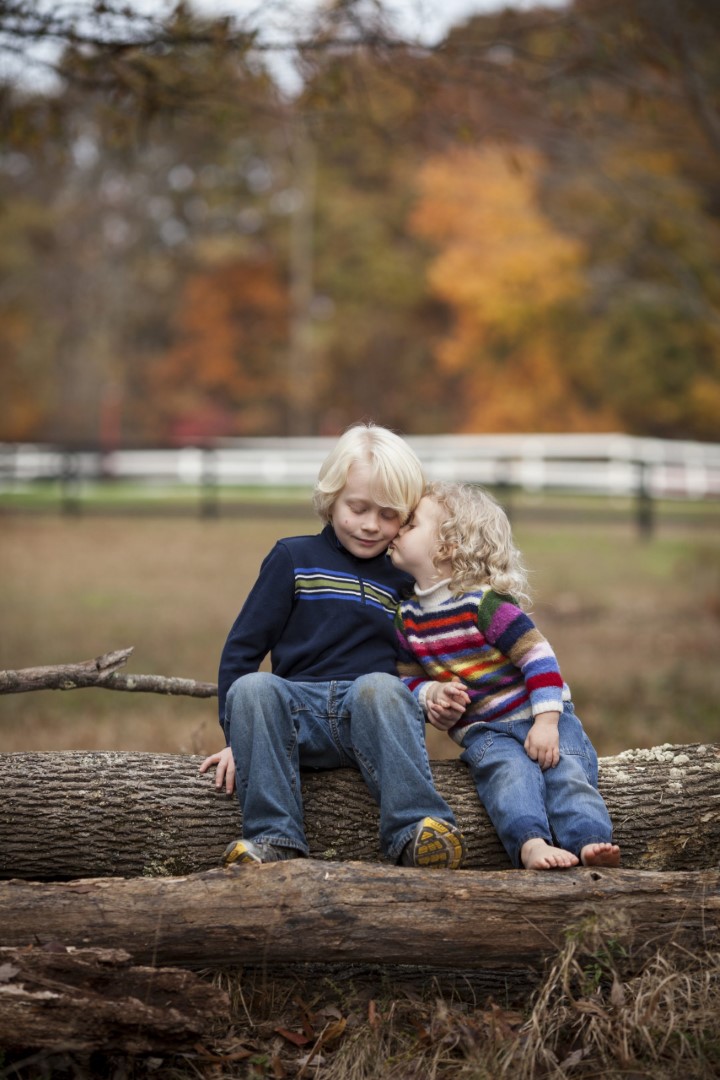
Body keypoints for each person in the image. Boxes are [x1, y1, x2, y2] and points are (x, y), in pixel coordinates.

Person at [199, 424, 466, 870]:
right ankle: (274, 839)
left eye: (388, 514)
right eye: (357, 508)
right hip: (297, 716)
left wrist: (442, 696)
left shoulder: (404, 577)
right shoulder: (292, 558)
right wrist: (242, 739)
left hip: (370, 716)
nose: (369, 525)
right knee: (253, 688)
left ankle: (418, 829)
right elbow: (241, 651)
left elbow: (426, 656)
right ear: (331, 499)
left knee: (380, 687)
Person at [388, 480, 620, 871]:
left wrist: (547, 721)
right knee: (508, 780)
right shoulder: (407, 619)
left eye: (410, 525)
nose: (396, 529)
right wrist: (432, 696)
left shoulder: (485, 603)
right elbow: (407, 679)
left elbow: (539, 659)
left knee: (568, 776)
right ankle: (530, 844)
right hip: (486, 732)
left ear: (447, 546)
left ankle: (591, 842)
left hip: (540, 716)